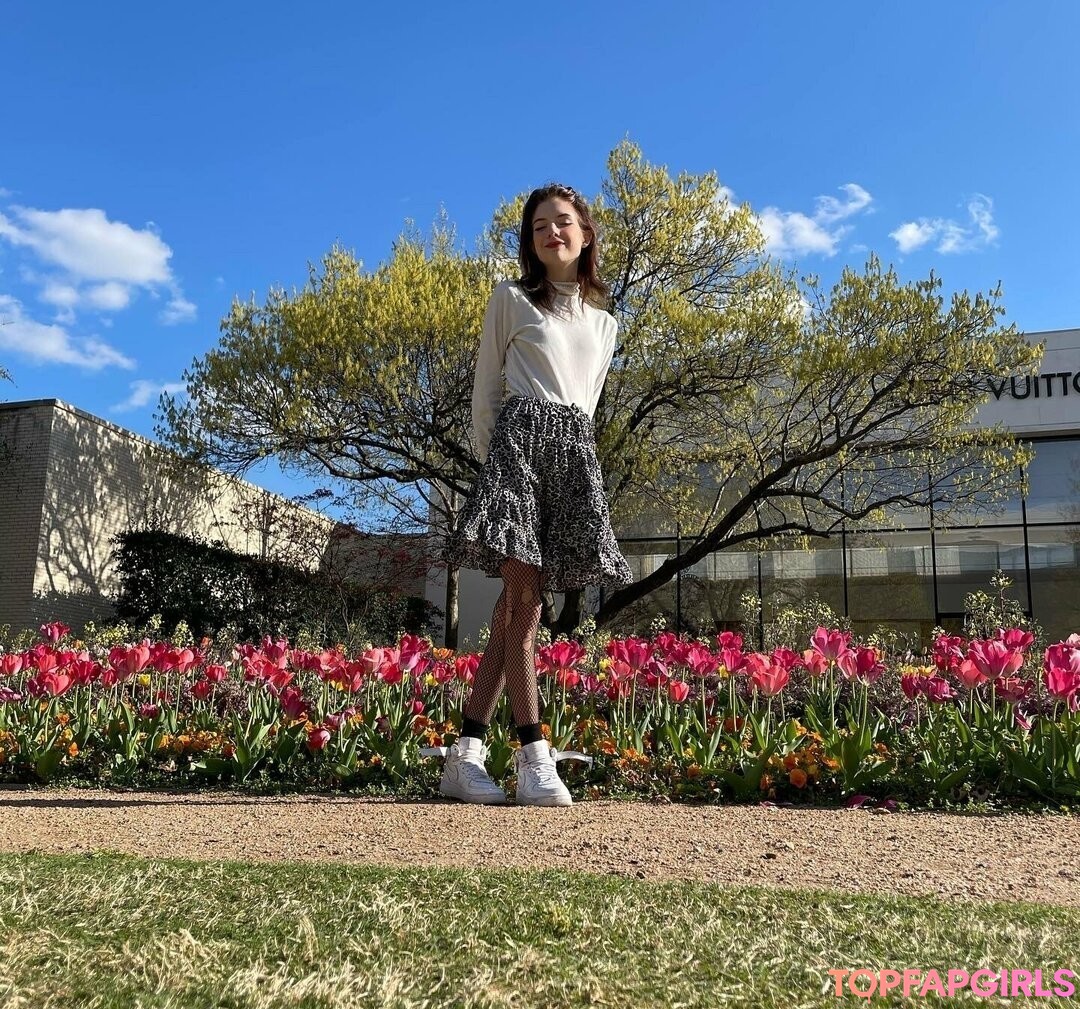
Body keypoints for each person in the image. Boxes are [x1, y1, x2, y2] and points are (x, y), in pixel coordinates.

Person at [439, 182, 634, 807]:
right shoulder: (511, 299)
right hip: (518, 451)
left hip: (572, 456)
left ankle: (466, 754)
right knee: (523, 606)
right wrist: (497, 469)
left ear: (585, 232)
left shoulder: (605, 324)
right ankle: (534, 756)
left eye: (564, 221)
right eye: (539, 224)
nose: (552, 231)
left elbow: (588, 403)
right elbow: (485, 393)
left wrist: (578, 470)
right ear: (530, 240)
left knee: (516, 610)